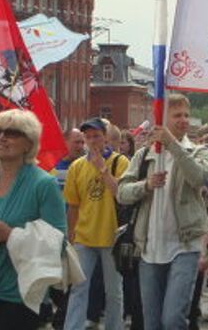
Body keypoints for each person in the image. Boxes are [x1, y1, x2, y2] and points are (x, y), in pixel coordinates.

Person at [117, 93, 208, 330]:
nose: (184, 120)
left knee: (173, 320)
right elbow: (122, 192)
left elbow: (198, 177)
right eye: (177, 115)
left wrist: (173, 144)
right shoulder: (144, 155)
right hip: (149, 248)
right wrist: (145, 185)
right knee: (151, 322)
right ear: (163, 118)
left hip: (185, 245)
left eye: (186, 115)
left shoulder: (198, 151)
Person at [0, 109, 67, 330]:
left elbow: (58, 242)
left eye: (11, 132)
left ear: (28, 143)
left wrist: (10, 235)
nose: (1, 137)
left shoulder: (44, 185)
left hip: (20, 294)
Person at [63, 117, 129, 330]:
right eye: (88, 137)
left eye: (97, 136)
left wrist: (103, 169)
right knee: (78, 288)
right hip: (84, 235)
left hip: (113, 235)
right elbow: (73, 204)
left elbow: (122, 194)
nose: (92, 141)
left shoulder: (121, 162)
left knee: (114, 291)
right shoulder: (77, 167)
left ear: (106, 138)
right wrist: (71, 234)